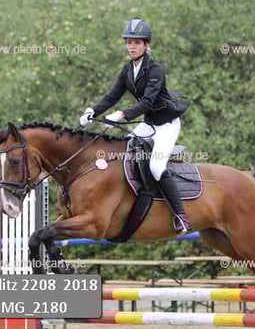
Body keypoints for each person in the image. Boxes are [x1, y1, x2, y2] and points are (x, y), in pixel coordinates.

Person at [80, 18, 192, 235]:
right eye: (129, 42)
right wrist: (92, 111)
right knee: (125, 149)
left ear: (146, 45)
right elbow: (112, 96)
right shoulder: (127, 70)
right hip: (149, 124)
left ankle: (181, 215)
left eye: (137, 43)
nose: (132, 46)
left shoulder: (155, 69)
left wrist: (123, 114)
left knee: (156, 166)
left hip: (167, 125)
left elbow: (147, 102)